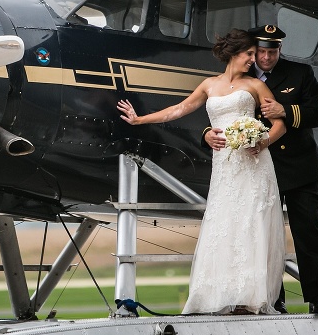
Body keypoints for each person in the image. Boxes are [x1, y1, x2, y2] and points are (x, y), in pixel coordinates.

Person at [117, 28, 286, 315]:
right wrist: (139, 120)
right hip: (224, 167)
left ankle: (249, 298)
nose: (253, 59)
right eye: (249, 54)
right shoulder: (209, 84)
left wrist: (263, 141)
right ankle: (216, 295)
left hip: (253, 164)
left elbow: (280, 122)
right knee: (224, 224)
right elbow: (179, 109)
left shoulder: (256, 85)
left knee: (250, 224)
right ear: (234, 53)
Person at [203, 24, 318, 316]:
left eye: (272, 52)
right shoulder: (240, 75)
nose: (266, 58)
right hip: (258, 168)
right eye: (261, 52)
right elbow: (219, 111)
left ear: (279, 50)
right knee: (262, 235)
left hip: (299, 167)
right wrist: (206, 134)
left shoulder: (300, 73)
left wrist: (285, 110)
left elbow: (316, 114)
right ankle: (273, 299)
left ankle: (317, 297)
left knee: (308, 232)